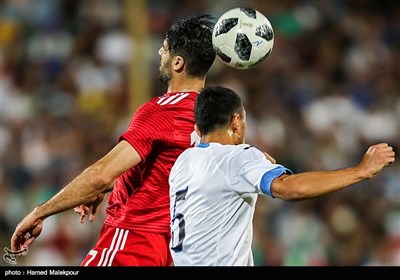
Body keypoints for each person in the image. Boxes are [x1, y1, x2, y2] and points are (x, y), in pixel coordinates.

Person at [11, 15, 216, 266]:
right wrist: (113, 186)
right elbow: (165, 173)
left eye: (164, 49)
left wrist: (39, 212)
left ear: (177, 62)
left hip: (131, 242)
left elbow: (99, 175)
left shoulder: (161, 111)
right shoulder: (214, 119)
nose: (159, 53)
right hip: (172, 251)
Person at [168, 85, 396, 266]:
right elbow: (289, 189)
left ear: (198, 129)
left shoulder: (182, 164)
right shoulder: (237, 157)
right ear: (236, 122)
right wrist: (360, 170)